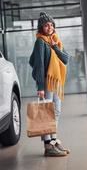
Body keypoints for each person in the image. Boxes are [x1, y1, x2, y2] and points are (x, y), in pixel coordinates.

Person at [29, 12, 70, 157]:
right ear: (41, 27)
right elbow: (39, 65)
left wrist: (55, 47)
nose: (50, 27)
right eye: (46, 25)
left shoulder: (54, 40)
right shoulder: (40, 42)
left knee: (56, 111)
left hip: (56, 82)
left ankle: (54, 141)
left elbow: (65, 59)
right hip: (46, 82)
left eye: (51, 24)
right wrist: (40, 87)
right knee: (47, 112)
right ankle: (48, 145)